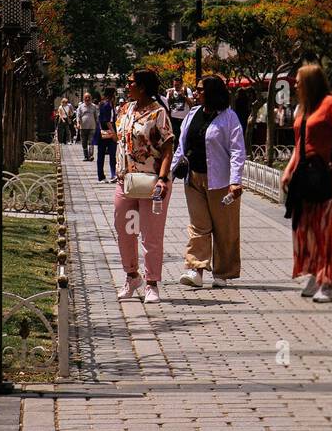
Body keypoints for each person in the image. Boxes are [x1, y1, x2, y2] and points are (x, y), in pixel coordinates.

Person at [281, 63, 332, 304]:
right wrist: (289, 170)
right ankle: (314, 272)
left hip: (326, 173)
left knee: (325, 228)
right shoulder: (304, 109)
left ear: (311, 82)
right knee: (304, 226)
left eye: (300, 80)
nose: (296, 84)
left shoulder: (330, 105)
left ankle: (327, 281)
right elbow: (299, 143)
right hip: (304, 173)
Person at [174, 75, 246, 290]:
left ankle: (223, 272)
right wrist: (166, 177)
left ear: (212, 92)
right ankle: (196, 269)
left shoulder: (229, 118)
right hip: (193, 178)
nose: (195, 93)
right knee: (199, 226)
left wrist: (235, 181)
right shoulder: (193, 114)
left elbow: (237, 151)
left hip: (221, 182)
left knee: (225, 228)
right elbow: (181, 145)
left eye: (199, 90)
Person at [114, 70, 174, 305]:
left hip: (151, 183)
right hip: (126, 181)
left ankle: (152, 283)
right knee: (125, 229)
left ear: (142, 87)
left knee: (151, 235)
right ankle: (132, 276)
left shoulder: (159, 113)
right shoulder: (124, 110)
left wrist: (163, 178)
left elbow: (168, 148)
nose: (127, 86)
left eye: (130, 83)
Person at [95, 88, 118, 184]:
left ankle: (113, 174)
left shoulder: (110, 104)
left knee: (112, 154)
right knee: (102, 154)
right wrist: (113, 134)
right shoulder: (106, 105)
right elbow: (107, 121)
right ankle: (101, 176)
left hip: (108, 130)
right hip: (105, 132)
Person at [77, 93, 97, 161]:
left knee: (91, 142)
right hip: (83, 127)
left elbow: (96, 117)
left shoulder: (94, 106)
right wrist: (78, 123)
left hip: (92, 127)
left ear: (91, 98)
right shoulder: (80, 107)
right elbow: (78, 116)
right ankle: (86, 156)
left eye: (89, 97)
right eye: (86, 97)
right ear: (84, 98)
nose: (87, 99)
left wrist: (98, 125)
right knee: (84, 142)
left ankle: (91, 156)